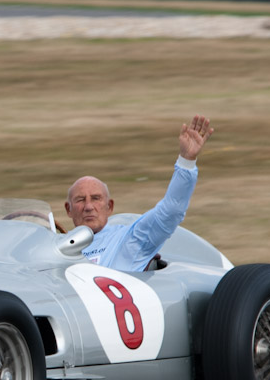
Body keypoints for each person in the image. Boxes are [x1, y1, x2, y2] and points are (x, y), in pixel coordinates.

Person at [64, 114, 213, 272]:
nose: (88, 206)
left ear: (109, 206)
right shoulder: (55, 246)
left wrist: (186, 161)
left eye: (96, 199)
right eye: (80, 200)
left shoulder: (131, 239)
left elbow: (171, 211)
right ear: (68, 209)